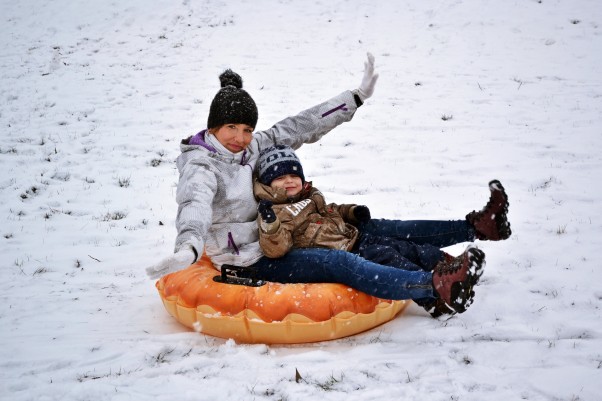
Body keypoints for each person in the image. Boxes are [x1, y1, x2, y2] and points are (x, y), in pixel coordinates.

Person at [146, 53, 511, 317]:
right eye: (231, 129)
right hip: (253, 259)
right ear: (212, 128)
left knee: (381, 227)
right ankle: (431, 287)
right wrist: (189, 246)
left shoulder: (251, 146)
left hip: (292, 230)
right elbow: (193, 203)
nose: (241, 138)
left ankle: (477, 226)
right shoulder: (201, 165)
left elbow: (299, 126)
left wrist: (354, 98)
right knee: (339, 262)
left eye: (247, 129)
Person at [253, 145, 509, 317]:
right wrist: (270, 225)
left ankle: (454, 268)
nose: (289, 181)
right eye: (280, 177)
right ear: (267, 183)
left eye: (293, 175)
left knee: (410, 248)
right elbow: (277, 246)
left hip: (354, 236)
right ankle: (437, 298)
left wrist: (351, 212)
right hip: (345, 249)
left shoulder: (309, 195)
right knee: (393, 259)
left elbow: (332, 211)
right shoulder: (276, 212)